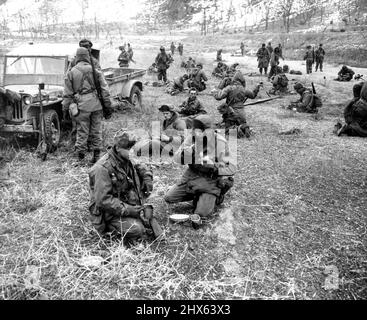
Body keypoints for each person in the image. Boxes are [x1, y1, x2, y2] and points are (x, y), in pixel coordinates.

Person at [164, 115, 236, 218]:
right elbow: (177, 159)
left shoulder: (220, 142)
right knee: (169, 197)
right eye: (195, 131)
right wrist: (186, 154)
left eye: (200, 131)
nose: (197, 134)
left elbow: (231, 168)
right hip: (192, 175)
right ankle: (197, 194)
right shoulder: (191, 138)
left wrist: (213, 167)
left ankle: (216, 196)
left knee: (201, 214)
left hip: (211, 180)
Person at [88, 131, 154, 242]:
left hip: (122, 202)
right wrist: (130, 210)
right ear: (118, 148)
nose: (133, 152)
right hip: (108, 213)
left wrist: (146, 176)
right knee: (137, 230)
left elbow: (140, 164)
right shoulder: (102, 168)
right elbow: (103, 201)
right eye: (129, 150)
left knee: (147, 218)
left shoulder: (126, 157)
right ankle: (110, 231)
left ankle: (134, 215)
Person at [63, 47, 112, 163]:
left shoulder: (71, 72)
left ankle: (81, 158)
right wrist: (108, 107)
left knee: (82, 131)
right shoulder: (96, 71)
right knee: (96, 131)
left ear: (77, 57)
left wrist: (65, 109)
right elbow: (105, 91)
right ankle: (96, 157)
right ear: (87, 56)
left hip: (81, 106)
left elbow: (67, 94)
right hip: (96, 105)